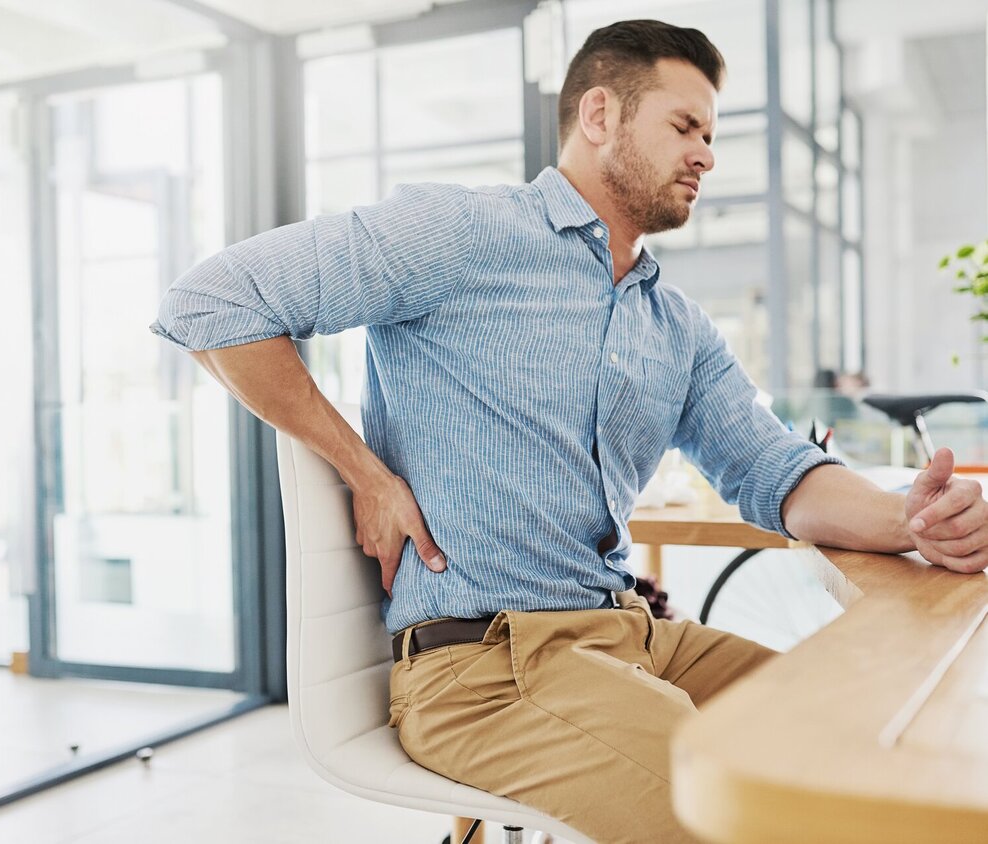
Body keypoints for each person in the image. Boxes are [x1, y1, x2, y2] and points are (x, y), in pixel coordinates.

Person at [150, 19, 988, 843]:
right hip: (487, 670)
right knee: (749, 815)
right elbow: (209, 303)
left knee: (862, 739)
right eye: (684, 126)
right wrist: (366, 473)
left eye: (710, 135)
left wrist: (911, 519)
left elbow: (775, 469)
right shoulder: (462, 233)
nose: (706, 155)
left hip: (632, 636)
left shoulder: (676, 326)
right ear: (599, 115)